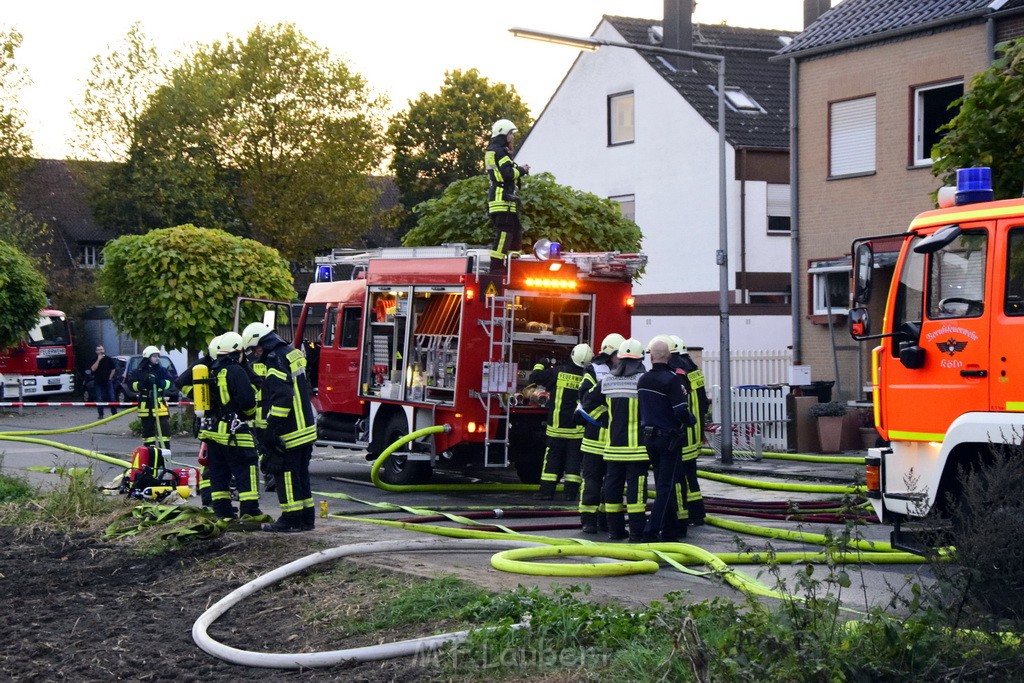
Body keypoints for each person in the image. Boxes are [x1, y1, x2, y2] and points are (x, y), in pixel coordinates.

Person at [241, 321, 317, 533]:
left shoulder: (275, 362)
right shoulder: (291, 353)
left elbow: (282, 399)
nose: (255, 354)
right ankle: (306, 519)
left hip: (290, 431)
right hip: (306, 428)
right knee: (301, 474)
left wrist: (271, 431)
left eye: (255, 349)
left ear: (262, 344)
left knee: (286, 475)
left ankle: (290, 518)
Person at [582, 338, 649, 542]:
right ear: (640, 360)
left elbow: (586, 403)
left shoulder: (607, 381)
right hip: (637, 449)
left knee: (612, 489)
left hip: (612, 450)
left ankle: (615, 531)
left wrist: (605, 420)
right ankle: (637, 533)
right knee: (636, 491)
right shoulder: (644, 381)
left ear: (619, 359)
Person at [639, 337, 697, 542]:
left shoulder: (643, 380)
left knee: (663, 483)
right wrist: (692, 420)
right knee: (666, 486)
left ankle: (670, 529)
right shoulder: (671, 380)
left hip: (649, 438)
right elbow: (680, 411)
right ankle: (652, 530)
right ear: (670, 357)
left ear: (651, 356)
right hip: (669, 440)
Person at [200, 332, 264, 521]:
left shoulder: (211, 370)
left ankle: (222, 511)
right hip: (235, 432)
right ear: (238, 350)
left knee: (219, 474)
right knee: (247, 468)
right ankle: (250, 510)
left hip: (213, 434)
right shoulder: (236, 370)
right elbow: (247, 401)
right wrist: (251, 414)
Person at [528, 343, 593, 501]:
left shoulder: (558, 372)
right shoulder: (587, 377)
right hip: (576, 430)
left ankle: (546, 492)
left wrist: (541, 363)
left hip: (556, 428)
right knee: (574, 462)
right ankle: (570, 493)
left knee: (551, 460)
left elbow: (535, 377)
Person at [577, 332, 624, 534]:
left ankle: (605, 520)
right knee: (592, 481)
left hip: (613, 441)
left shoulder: (621, 372)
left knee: (611, 482)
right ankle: (589, 520)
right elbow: (584, 403)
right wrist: (605, 418)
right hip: (597, 438)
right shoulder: (593, 372)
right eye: (618, 354)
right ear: (611, 354)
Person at [669, 335, 710, 525]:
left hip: (681, 433)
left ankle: (681, 514)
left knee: (678, 477)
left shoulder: (676, 373)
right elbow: (703, 404)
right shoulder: (695, 371)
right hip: (694, 433)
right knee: (691, 475)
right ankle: (697, 514)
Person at [175, 336, 219, 507]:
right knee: (208, 459)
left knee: (209, 459)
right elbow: (180, 382)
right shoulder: (204, 364)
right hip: (209, 416)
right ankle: (209, 499)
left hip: (210, 417)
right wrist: (198, 396)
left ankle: (211, 498)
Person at [486, 118, 529, 273]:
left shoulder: (494, 151)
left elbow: (505, 169)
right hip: (502, 198)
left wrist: (517, 168)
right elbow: (507, 173)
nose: (512, 137)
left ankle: (512, 265)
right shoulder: (500, 151)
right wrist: (522, 170)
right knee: (505, 232)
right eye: (510, 133)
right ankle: (496, 266)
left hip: (504, 198)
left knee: (515, 231)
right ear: (503, 134)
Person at [131, 346, 172, 464]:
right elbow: (131, 385)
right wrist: (143, 383)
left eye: (158, 356)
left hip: (160, 407)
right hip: (146, 407)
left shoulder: (161, 370)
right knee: (148, 436)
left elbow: (170, 383)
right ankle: (150, 460)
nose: (157, 358)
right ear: (147, 357)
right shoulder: (138, 371)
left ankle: (165, 460)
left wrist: (160, 383)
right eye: (154, 356)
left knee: (164, 434)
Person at [90, 345, 118, 419]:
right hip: (98, 382)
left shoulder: (108, 359)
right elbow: (93, 369)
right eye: (99, 350)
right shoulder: (94, 359)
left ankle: (114, 413)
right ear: (96, 351)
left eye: (102, 349)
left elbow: (113, 369)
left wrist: (110, 378)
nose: (100, 351)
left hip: (108, 381)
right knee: (99, 398)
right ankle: (101, 414)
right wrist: (98, 360)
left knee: (111, 397)